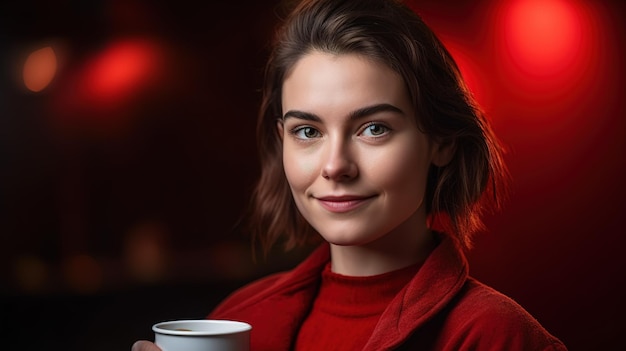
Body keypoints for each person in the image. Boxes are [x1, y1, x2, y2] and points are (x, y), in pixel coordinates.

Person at [134, 0, 567, 350]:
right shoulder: (240, 321)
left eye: (373, 128)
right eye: (308, 131)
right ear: (281, 138)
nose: (335, 165)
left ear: (441, 141)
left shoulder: (493, 336)